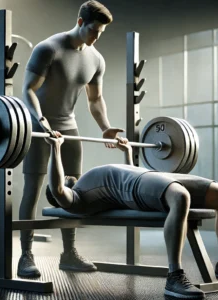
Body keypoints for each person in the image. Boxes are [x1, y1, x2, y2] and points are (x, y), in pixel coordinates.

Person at [18, 0, 124, 278]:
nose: (96, 37)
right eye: (93, 30)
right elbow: (28, 89)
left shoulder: (96, 59)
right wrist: (40, 120)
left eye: (101, 33)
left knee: (71, 192)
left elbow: (95, 99)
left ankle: (69, 253)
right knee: (33, 189)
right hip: (38, 129)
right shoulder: (48, 48)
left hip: (69, 129)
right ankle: (25, 255)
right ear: (80, 22)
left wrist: (106, 127)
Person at [44, 133, 218, 299]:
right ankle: (175, 276)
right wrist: (56, 148)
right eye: (64, 177)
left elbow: (128, 177)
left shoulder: (85, 186)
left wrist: (127, 152)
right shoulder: (76, 200)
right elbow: (57, 189)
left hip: (148, 176)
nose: (67, 175)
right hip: (139, 184)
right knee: (180, 197)